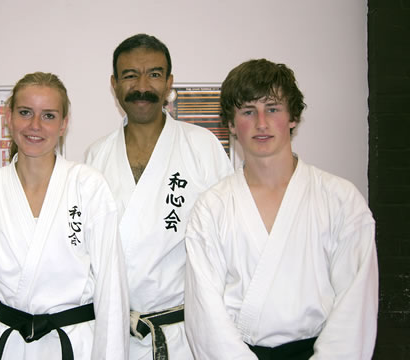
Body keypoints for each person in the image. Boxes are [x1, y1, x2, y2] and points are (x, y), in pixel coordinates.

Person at [184, 59, 379, 359]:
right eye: (248, 111)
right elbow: (205, 317)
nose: (261, 123)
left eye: (272, 108)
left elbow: (355, 307)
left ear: (293, 117)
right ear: (232, 124)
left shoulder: (341, 200)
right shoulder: (212, 208)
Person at [85, 34, 233, 359]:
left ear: (169, 82)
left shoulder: (202, 147)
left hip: (183, 336)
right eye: (130, 75)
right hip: (114, 336)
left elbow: (230, 241)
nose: (142, 86)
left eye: (154, 74)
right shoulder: (95, 157)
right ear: (114, 84)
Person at [0, 72, 129, 360]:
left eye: (49, 115)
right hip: (8, 346)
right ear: (9, 117)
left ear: (64, 123)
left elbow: (111, 287)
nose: (35, 126)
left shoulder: (88, 185)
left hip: (74, 344)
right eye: (25, 112)